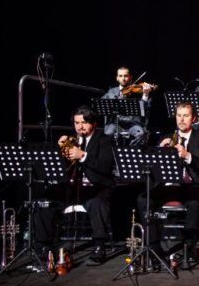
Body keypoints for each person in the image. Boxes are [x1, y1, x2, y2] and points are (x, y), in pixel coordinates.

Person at [35, 106, 116, 264]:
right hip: (71, 188)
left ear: (93, 123)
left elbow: (105, 166)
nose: (80, 127)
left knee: (97, 203)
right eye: (77, 123)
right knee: (45, 202)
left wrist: (83, 156)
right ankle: (43, 246)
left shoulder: (105, 140)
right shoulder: (71, 140)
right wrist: (58, 151)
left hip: (95, 187)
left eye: (84, 122)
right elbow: (59, 169)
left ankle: (99, 246)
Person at [137, 102, 199, 264]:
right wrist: (159, 150)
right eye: (179, 115)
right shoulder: (166, 137)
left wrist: (187, 156)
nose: (181, 119)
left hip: (191, 185)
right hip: (167, 185)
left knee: (195, 202)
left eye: (186, 116)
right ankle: (155, 248)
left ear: (194, 119)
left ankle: (189, 248)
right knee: (143, 199)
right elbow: (153, 167)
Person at [101, 66, 155, 146]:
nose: (123, 78)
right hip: (115, 124)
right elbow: (102, 104)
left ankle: (130, 150)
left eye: (126, 76)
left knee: (141, 134)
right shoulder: (112, 92)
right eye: (120, 76)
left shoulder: (138, 93)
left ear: (130, 77)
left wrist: (145, 94)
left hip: (132, 124)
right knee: (108, 133)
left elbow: (143, 112)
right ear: (117, 78)